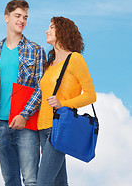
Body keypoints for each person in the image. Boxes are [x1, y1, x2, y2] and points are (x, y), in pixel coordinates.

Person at [0, 0, 46, 186]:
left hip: (26, 124)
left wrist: (24, 114)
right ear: (6, 17)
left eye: (25, 17)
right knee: (10, 180)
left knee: (31, 180)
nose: (22, 20)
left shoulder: (36, 50)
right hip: (1, 124)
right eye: (18, 16)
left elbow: (41, 87)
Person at [37, 16, 97, 186]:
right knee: (59, 182)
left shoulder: (75, 59)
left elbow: (91, 95)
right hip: (42, 127)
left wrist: (63, 104)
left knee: (43, 182)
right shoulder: (50, 65)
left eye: (51, 27)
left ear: (62, 32)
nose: (46, 31)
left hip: (59, 127)